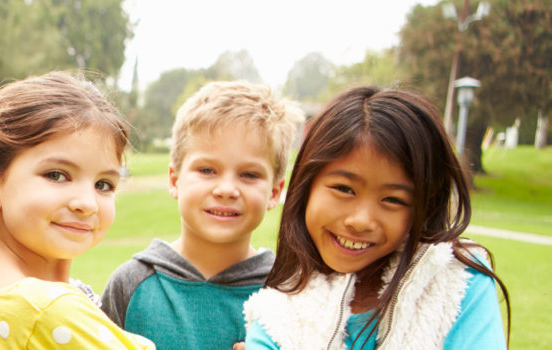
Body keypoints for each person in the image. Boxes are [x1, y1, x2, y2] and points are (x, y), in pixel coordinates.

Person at [243, 87, 510, 349]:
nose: (361, 221)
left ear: (424, 207)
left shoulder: (457, 282)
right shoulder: (278, 311)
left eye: (393, 200)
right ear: (305, 187)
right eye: (344, 189)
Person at [0, 72, 154, 349]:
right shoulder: (45, 308)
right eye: (57, 175)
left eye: (103, 184)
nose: (87, 203)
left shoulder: (15, 299)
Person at [100, 81, 301, 349]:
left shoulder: (290, 293)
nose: (227, 189)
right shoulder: (130, 285)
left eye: (249, 175)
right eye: (207, 170)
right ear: (174, 180)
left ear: (275, 192)